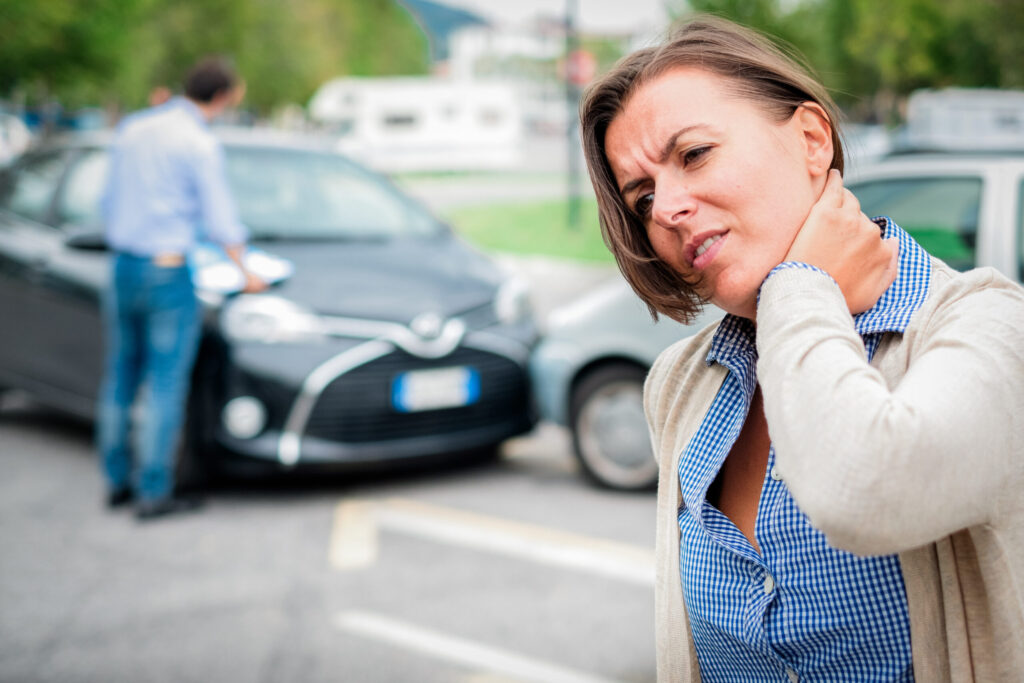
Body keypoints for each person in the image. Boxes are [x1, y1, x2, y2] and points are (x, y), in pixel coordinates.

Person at [580, 16, 1024, 682]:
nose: (668, 207)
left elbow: (866, 491)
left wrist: (801, 284)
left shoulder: (990, 325)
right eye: (642, 197)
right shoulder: (679, 383)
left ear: (813, 139)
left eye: (694, 154)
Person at [98, 57, 266, 521]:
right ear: (225, 95)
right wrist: (247, 270)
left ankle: (117, 482)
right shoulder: (198, 143)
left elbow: (106, 201)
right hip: (168, 269)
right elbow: (220, 219)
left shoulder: (132, 129)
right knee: (164, 384)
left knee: (120, 378)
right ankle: (155, 490)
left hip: (123, 265)